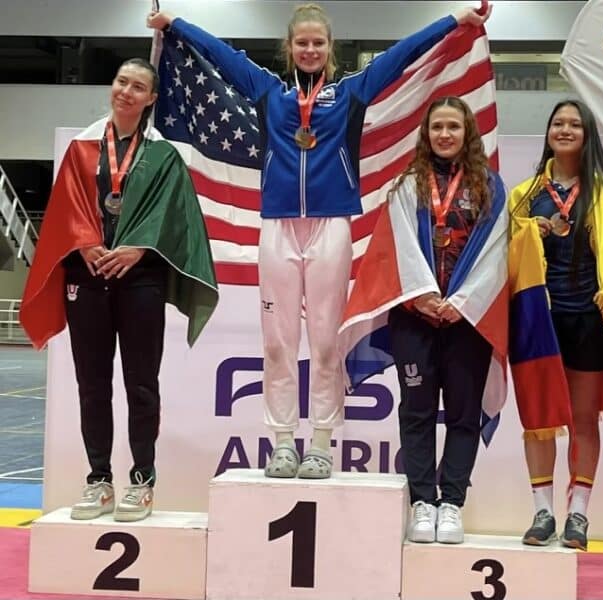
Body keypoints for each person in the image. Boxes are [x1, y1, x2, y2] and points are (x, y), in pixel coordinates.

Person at [147, 3, 492, 479]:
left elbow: (404, 54)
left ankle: (323, 444)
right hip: (278, 227)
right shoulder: (268, 91)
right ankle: (284, 442)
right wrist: (175, 26)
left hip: (332, 225)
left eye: (319, 43)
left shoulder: (351, 93)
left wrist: (456, 20)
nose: (310, 50)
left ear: (330, 49)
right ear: (289, 49)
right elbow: (222, 56)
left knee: (326, 340)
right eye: (302, 43)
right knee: (277, 342)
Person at [20, 58, 218, 522]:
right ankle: (99, 481)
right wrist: (86, 245)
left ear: (151, 99)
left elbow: (175, 218)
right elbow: (67, 209)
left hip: (139, 279)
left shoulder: (164, 155)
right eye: (121, 82)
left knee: (141, 384)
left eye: (138, 87)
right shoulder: (82, 147)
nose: (126, 92)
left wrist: (137, 249)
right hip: (86, 277)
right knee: (92, 384)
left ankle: (143, 480)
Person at [339, 97, 508, 544]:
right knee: (415, 410)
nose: (445, 135)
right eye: (438, 127)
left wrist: (463, 301)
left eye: (454, 126)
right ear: (426, 133)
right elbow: (397, 247)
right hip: (415, 315)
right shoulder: (408, 184)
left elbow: (496, 253)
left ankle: (451, 502)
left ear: (467, 133)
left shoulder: (490, 186)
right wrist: (424, 295)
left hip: (467, 320)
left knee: (463, 413)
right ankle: (421, 501)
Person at [508, 99, 603, 550]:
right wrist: (529, 232)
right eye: (558, 122)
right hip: (538, 321)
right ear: (548, 132)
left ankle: (577, 515)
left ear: (588, 134)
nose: (565, 129)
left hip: (590, 322)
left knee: (581, 420)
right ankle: (542, 513)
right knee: (538, 420)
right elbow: (503, 255)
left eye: (575, 124)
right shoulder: (523, 196)